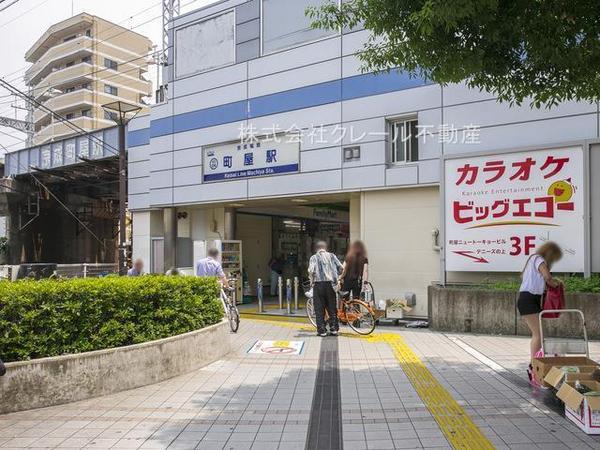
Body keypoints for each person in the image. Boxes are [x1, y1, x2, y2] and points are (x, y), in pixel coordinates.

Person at [518, 241, 563, 382]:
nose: (553, 260)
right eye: (554, 257)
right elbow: (547, 277)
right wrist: (556, 283)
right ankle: (534, 366)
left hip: (530, 299)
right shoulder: (538, 259)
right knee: (538, 334)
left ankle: (535, 365)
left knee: (538, 334)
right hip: (529, 299)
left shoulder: (533, 261)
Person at [308, 241, 343, 337]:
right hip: (331, 285)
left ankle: (322, 331)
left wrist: (311, 281)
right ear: (325, 248)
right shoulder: (332, 256)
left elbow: (311, 271)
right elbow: (341, 268)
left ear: (317, 249)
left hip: (318, 285)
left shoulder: (314, 257)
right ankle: (334, 329)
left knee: (319, 309)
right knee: (332, 308)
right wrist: (337, 278)